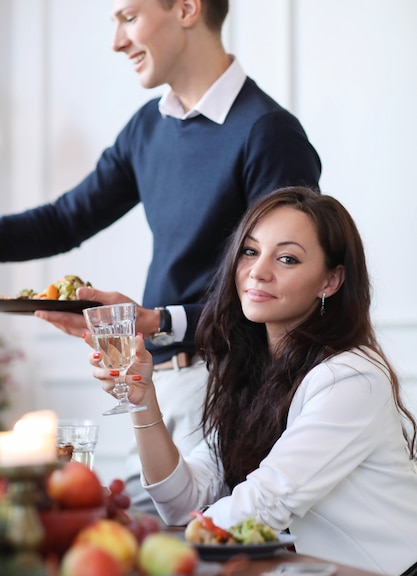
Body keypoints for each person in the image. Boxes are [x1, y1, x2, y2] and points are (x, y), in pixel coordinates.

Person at [0, 0, 321, 512]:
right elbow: (65, 220)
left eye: (128, 17)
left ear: (188, 9)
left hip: (226, 390)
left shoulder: (268, 134)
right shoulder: (148, 129)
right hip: (150, 384)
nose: (117, 40)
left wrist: (157, 321)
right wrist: (151, 332)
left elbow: (288, 295)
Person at [90, 186, 417, 576]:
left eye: (287, 258)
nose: (258, 271)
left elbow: (266, 502)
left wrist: (149, 545)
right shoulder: (250, 371)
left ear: (330, 281)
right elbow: (182, 503)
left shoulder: (352, 378)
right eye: (250, 251)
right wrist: (143, 402)